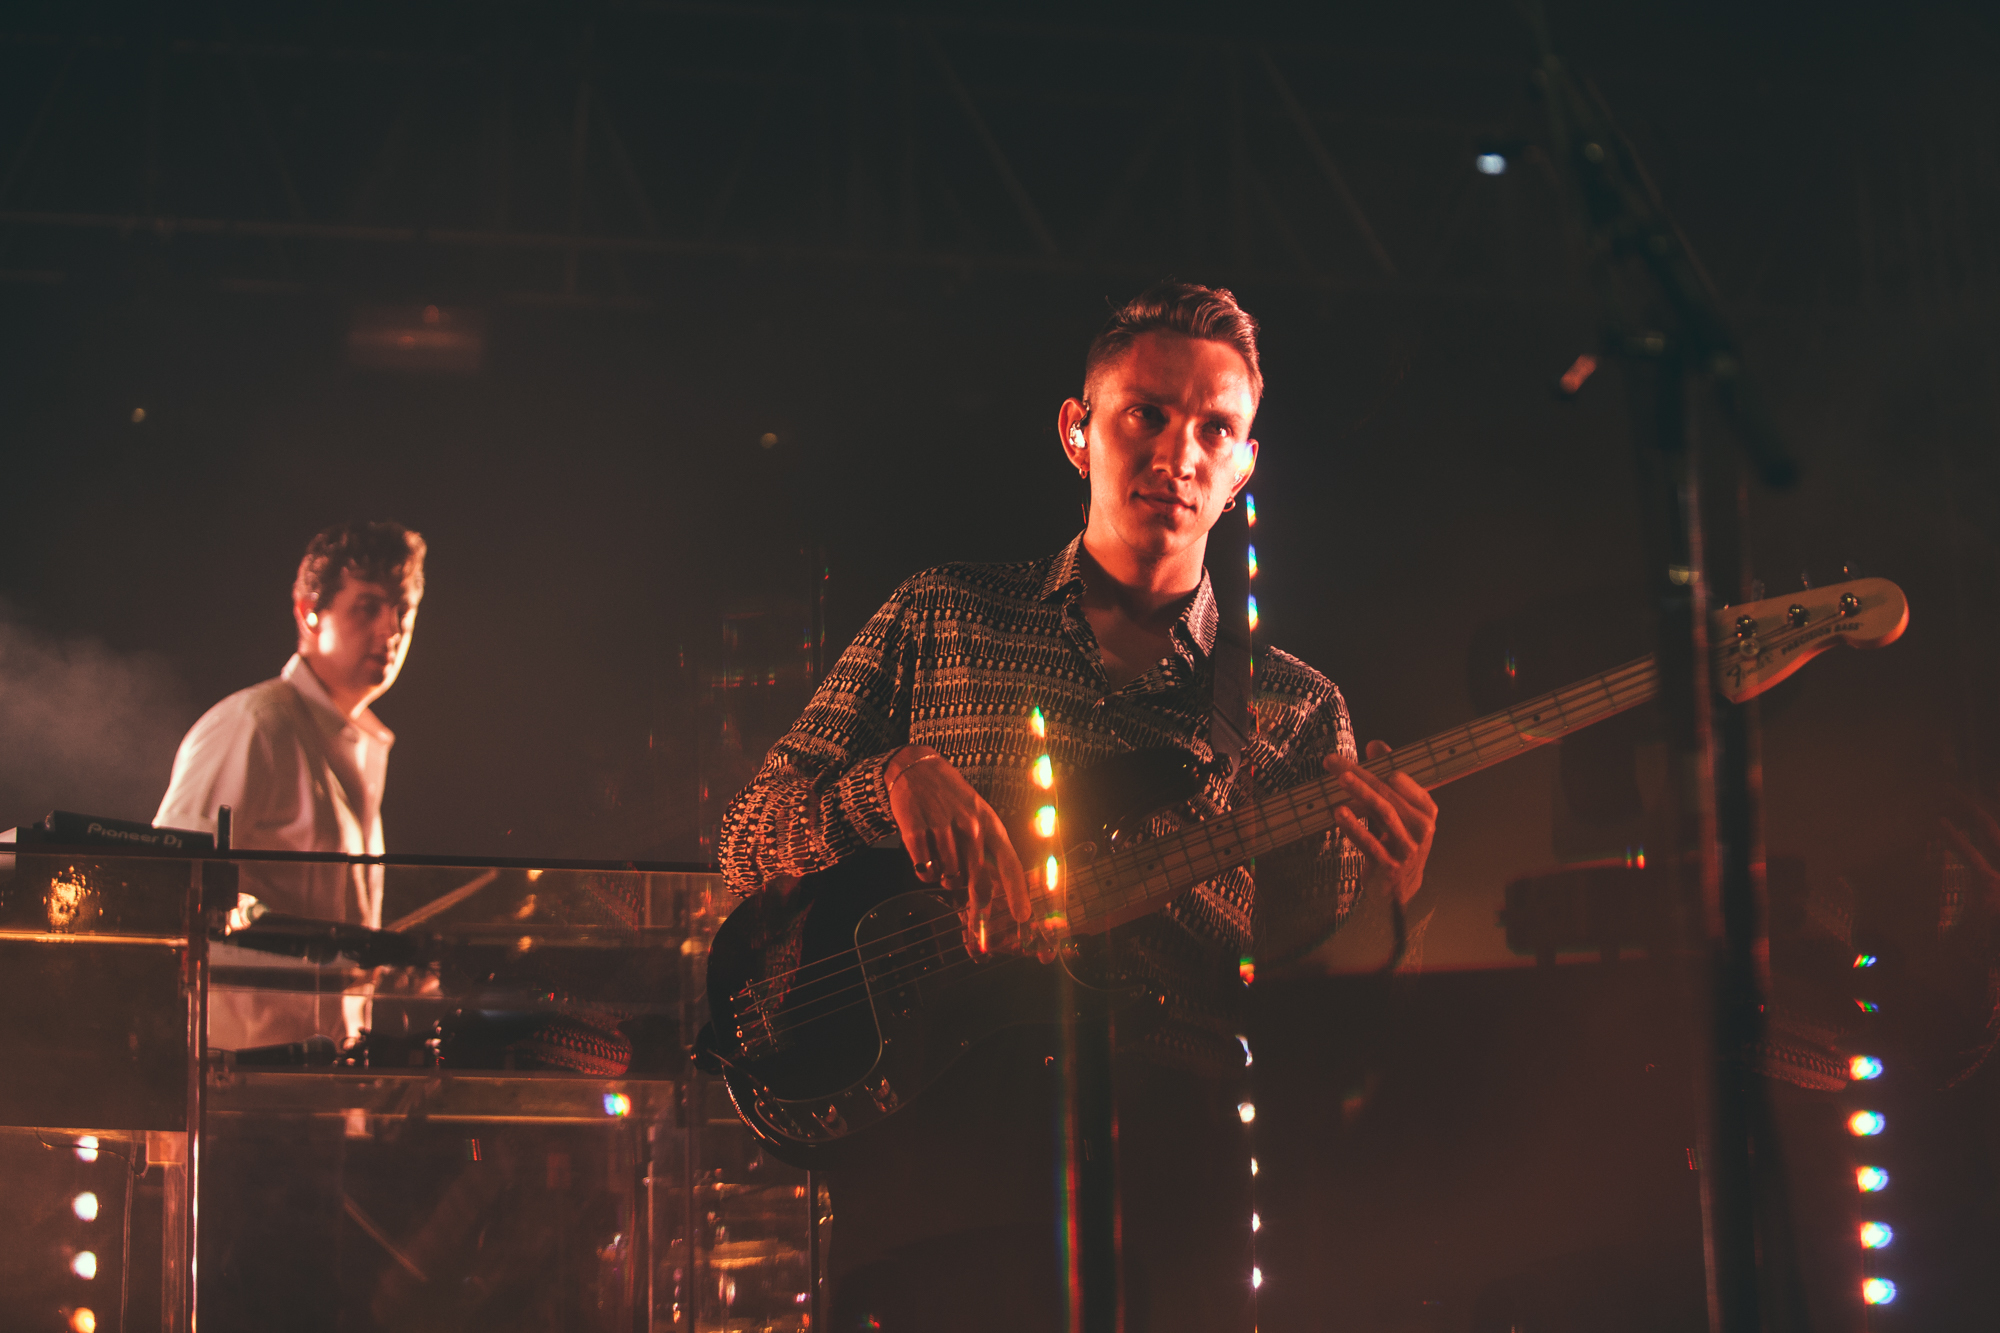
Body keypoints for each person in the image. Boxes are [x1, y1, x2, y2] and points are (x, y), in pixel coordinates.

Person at [718, 282, 1437, 1332]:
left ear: (1243, 466)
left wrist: (1392, 899)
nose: (1178, 452)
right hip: (936, 1158)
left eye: (1215, 429)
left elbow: (1314, 1025)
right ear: (1077, 430)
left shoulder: (1296, 711)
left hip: (1169, 1182)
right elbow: (746, 839)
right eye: (1146, 413)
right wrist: (886, 782)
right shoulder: (941, 615)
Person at [156, 518, 426, 1051]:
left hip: (320, 1077)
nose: (391, 629)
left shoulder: (357, 746)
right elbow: (166, 891)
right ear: (308, 612)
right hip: (236, 1076)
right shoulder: (255, 724)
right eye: (368, 607)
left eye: (404, 610)